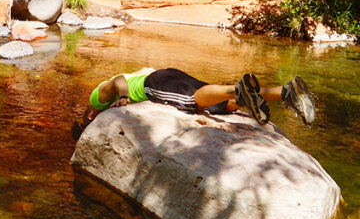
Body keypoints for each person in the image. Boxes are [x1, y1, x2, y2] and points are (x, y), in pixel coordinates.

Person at [73, 67, 315, 139]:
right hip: (166, 76)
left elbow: (116, 80)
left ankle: (238, 89)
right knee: (223, 105)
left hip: (153, 83)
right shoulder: (98, 109)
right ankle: (285, 92)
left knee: (193, 101)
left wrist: (124, 97)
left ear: (90, 117)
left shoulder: (97, 102)